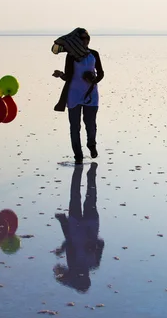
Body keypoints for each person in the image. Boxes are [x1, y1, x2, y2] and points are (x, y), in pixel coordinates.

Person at [52, 28, 104, 165]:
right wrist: (60, 74)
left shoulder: (94, 54)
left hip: (91, 95)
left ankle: (91, 145)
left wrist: (94, 80)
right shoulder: (70, 56)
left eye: (87, 38)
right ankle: (78, 156)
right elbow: (68, 76)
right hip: (74, 95)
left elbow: (101, 73)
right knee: (74, 127)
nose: (85, 40)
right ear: (76, 41)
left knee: (91, 124)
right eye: (82, 38)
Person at [53, 162, 104, 293]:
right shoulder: (94, 263)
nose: (81, 274)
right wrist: (93, 244)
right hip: (90, 225)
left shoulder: (73, 264)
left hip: (75, 227)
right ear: (87, 277)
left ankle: (78, 170)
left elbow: (69, 242)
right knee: (91, 197)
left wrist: (63, 222)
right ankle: (91, 174)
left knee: (75, 194)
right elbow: (101, 242)